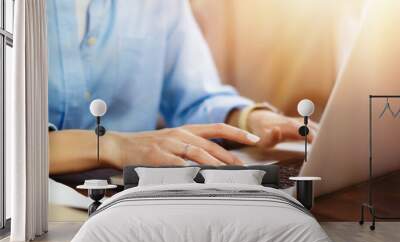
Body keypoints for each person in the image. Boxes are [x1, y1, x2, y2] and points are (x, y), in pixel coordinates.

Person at [48, 0, 316, 174]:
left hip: (133, 193)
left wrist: (249, 120)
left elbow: (193, 97)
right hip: (32, 201)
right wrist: (114, 147)